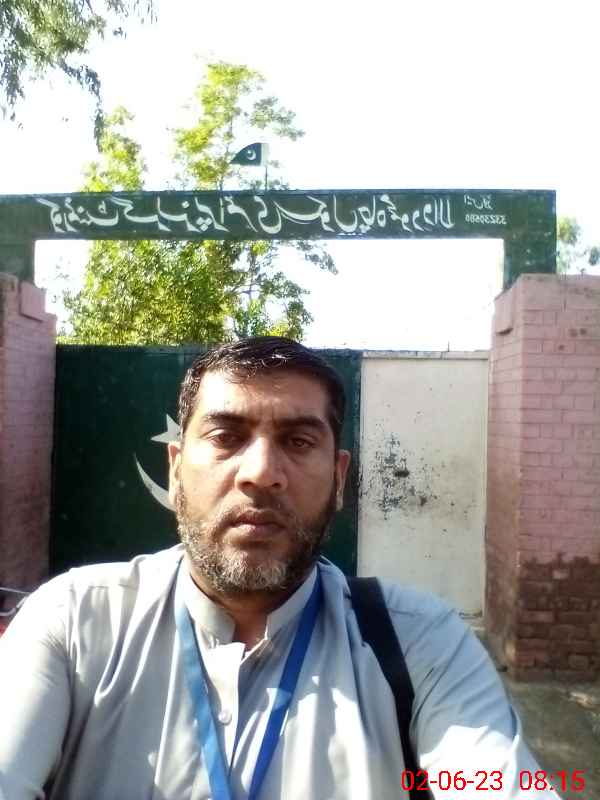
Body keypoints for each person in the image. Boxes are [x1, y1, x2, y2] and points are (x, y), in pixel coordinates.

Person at [0, 336, 559, 800]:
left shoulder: (421, 644)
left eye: (298, 440)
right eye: (226, 437)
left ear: (338, 478)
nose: (262, 473)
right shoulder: (72, 623)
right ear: (175, 469)